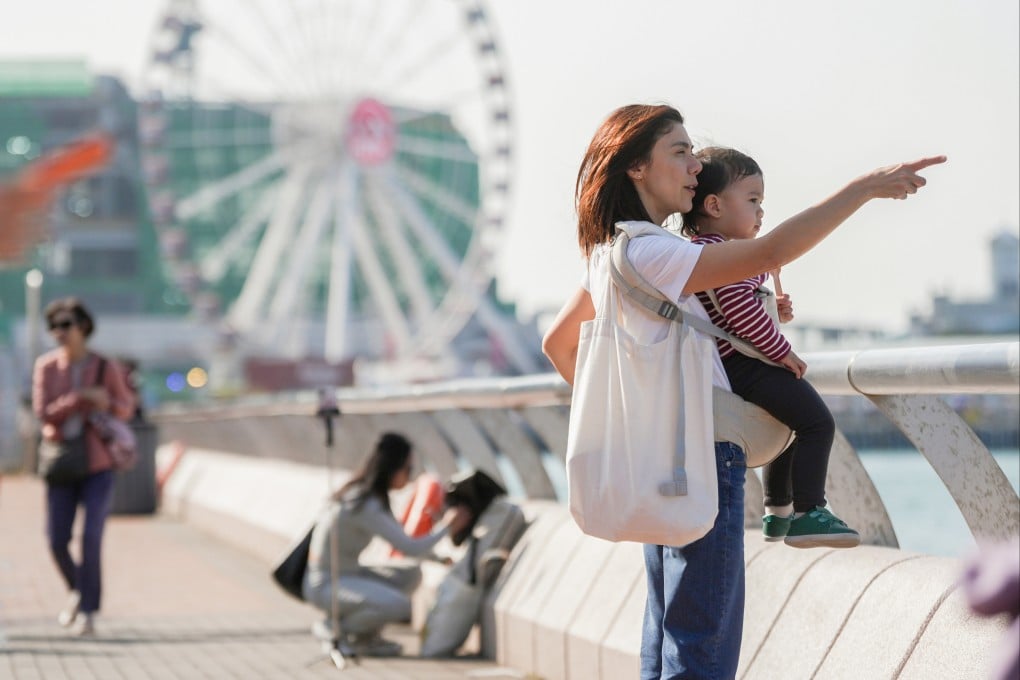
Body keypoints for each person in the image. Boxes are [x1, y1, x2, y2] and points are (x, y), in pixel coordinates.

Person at [541, 103, 943, 679]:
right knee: (703, 642)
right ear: (635, 168)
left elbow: (559, 345)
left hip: (659, 460)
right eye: (678, 152)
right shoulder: (657, 251)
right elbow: (768, 254)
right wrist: (864, 189)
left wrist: (636, 421)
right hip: (703, 456)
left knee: (666, 633)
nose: (694, 166)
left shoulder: (610, 255)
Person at [680, 146, 859, 549]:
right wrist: (782, 351)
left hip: (731, 366)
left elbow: (727, 310)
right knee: (817, 423)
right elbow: (740, 312)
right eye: (753, 200)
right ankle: (809, 510)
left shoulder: (701, 251)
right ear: (714, 205)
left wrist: (771, 308)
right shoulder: (725, 255)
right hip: (748, 365)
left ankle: (778, 511)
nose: (761, 212)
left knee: (787, 428)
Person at [302, 432, 473, 657]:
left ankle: (365, 638)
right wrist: (447, 527)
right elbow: (410, 547)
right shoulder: (364, 505)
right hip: (326, 584)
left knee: (410, 575)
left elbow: (405, 542)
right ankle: (336, 630)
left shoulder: (365, 496)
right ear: (392, 468)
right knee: (400, 605)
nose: (410, 476)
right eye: (408, 469)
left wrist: (439, 559)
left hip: (343, 575)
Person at [32, 297, 136, 637]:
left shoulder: (106, 367)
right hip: (60, 463)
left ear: (83, 328)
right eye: (54, 326)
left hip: (97, 464)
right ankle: (79, 590)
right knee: (56, 539)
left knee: (91, 537)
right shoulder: (46, 368)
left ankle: (88, 611)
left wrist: (107, 401)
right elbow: (43, 412)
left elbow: (126, 409)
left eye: (66, 325)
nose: (59, 333)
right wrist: (79, 398)